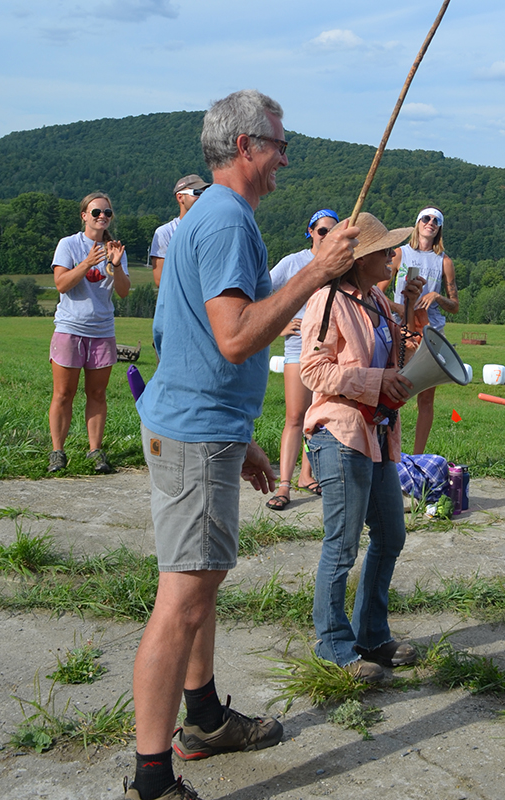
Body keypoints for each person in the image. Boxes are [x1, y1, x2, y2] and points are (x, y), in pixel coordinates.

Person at [125, 90, 358, 800]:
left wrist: (239, 436)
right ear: (247, 146)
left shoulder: (216, 217)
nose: (287, 156)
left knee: (201, 588)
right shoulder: (227, 221)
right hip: (194, 436)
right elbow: (233, 337)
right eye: (280, 143)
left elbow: (183, 337)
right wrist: (316, 272)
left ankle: (202, 719)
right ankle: (152, 778)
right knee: (183, 600)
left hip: (201, 430)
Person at [301, 213, 424, 683]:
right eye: (385, 251)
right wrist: (375, 381)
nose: (394, 257)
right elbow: (313, 370)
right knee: (343, 543)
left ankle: (371, 635)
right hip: (340, 433)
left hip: (376, 434)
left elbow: (402, 360)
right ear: (360, 258)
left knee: (391, 535)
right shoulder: (326, 300)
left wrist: (409, 313)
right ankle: (334, 646)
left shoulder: (377, 302)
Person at [48, 192, 130, 475]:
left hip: (102, 330)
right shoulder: (68, 244)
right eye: (96, 212)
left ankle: (95, 450)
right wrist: (85, 262)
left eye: (107, 213)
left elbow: (122, 291)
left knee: (97, 393)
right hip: (70, 328)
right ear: (84, 215)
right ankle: (58, 451)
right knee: (63, 393)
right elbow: (61, 284)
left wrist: (116, 264)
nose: (102, 217)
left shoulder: (115, 248)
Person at [266, 208, 340, 509]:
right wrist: (279, 326)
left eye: (333, 232)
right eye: (322, 231)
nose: (327, 236)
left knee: (318, 419)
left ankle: (307, 476)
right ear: (310, 231)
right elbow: (262, 292)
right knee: (296, 417)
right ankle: (284, 486)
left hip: (329, 351)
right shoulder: (293, 262)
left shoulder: (340, 265)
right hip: (298, 348)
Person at [389, 206, 459, 454]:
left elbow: (455, 306)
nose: (430, 222)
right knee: (392, 391)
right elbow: (375, 290)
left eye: (436, 220)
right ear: (417, 223)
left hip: (432, 335)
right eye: (426, 218)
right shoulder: (399, 254)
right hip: (401, 330)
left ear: (439, 228)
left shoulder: (445, 261)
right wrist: (397, 306)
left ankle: (417, 457)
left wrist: (437, 297)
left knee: (426, 398)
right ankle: (389, 453)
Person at [149, 175, 210, 288]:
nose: (202, 197)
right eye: (197, 193)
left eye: (205, 193)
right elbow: (160, 280)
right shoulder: (165, 233)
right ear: (180, 197)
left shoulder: (211, 230)